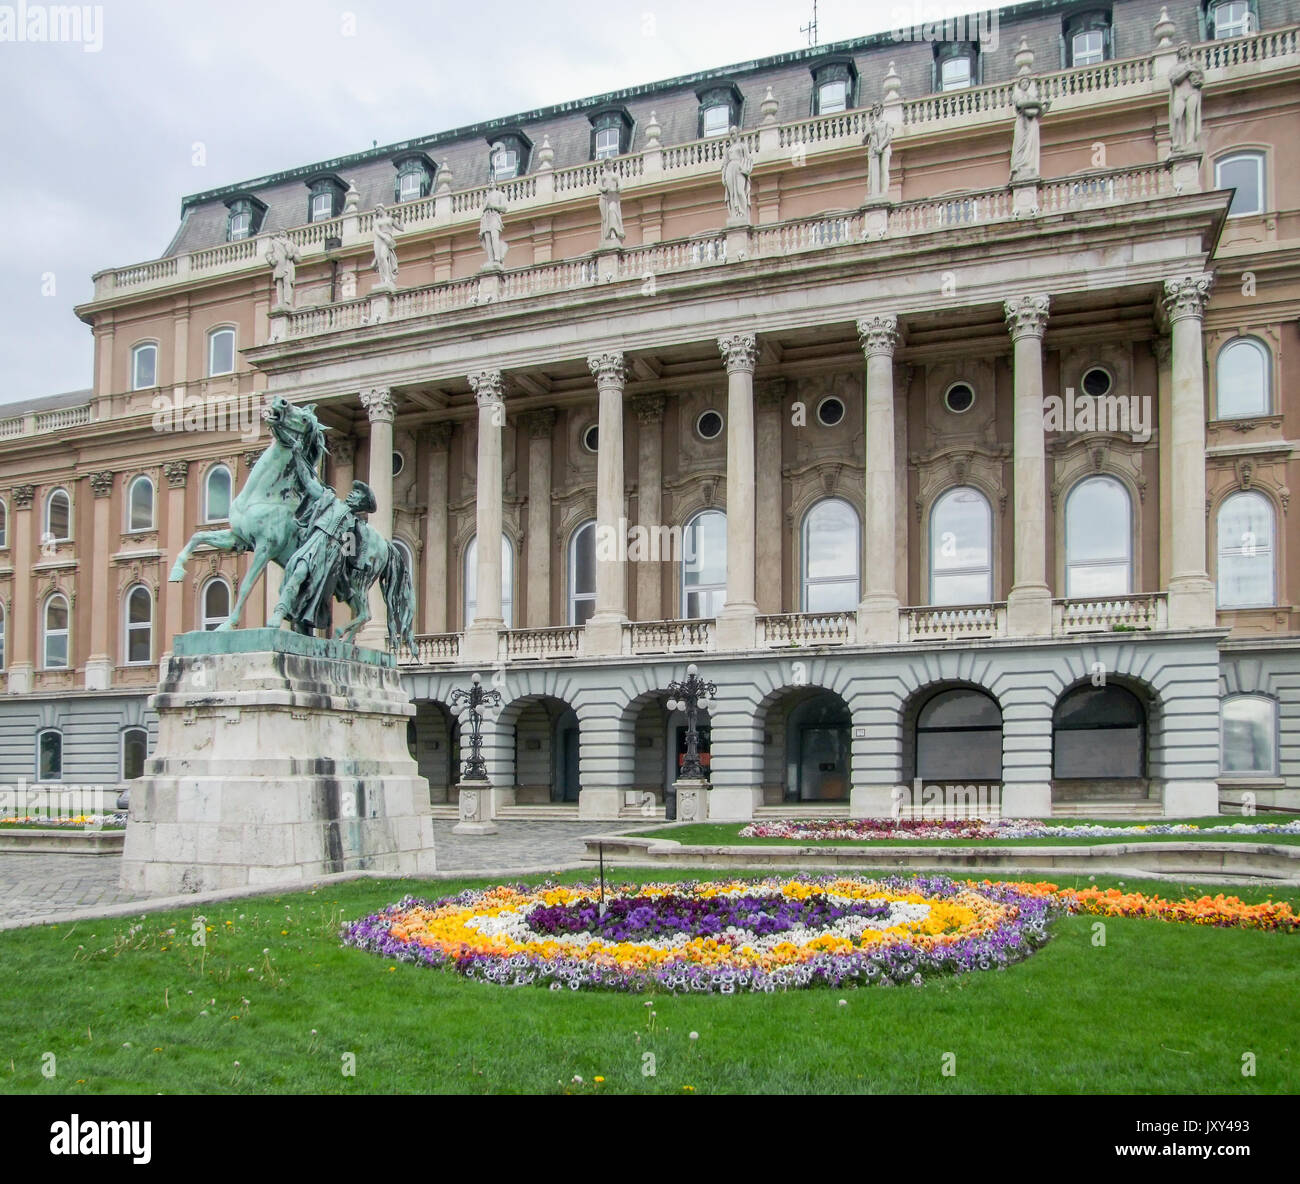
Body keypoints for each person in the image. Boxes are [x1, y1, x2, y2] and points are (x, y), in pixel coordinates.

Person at [271, 440, 376, 635]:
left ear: (361, 504)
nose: (352, 495)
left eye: (357, 496)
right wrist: (297, 456)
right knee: (298, 573)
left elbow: (353, 556)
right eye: (353, 493)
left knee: (312, 594)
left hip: (332, 557)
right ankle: (279, 612)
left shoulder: (355, 526)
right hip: (315, 543)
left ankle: (302, 625)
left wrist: (345, 573)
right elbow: (309, 483)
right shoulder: (329, 500)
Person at [721, 126, 752, 222]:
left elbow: (748, 158)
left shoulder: (742, 146)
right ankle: (734, 215)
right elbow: (725, 163)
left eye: (733, 133)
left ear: (737, 133)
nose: (732, 135)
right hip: (730, 169)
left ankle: (744, 214)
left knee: (739, 191)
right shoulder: (728, 149)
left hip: (739, 168)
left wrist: (745, 169)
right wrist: (723, 176)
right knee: (732, 194)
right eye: (730, 134)